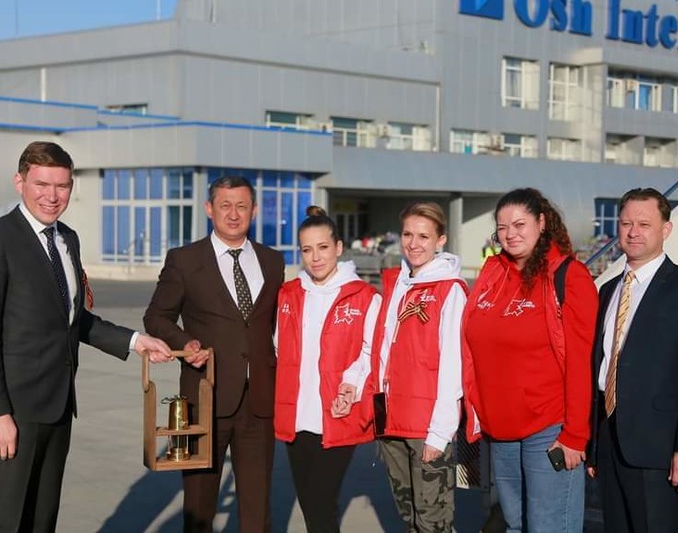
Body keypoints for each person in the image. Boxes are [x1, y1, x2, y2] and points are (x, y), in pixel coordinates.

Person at [0, 141, 174, 533]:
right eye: (42, 184)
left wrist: (135, 341)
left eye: (62, 186)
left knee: (42, 520)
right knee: (1, 522)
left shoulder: (67, 240)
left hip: (58, 407)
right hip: (13, 410)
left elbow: (73, 321)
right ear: (20, 182)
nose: (52, 196)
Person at [143, 175, 285, 533]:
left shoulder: (272, 261)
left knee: (257, 508)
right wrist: (185, 342)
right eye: (225, 205)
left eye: (241, 206)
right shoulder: (185, 260)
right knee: (199, 505)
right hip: (204, 399)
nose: (233, 214)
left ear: (254, 210)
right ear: (209, 209)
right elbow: (156, 316)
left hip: (260, 402)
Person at [462, 187, 598, 532]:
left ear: (541, 222)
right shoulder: (493, 273)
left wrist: (575, 435)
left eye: (519, 224)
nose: (510, 234)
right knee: (514, 525)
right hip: (499, 430)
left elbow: (581, 363)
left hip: (548, 427)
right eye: (502, 227)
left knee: (548, 527)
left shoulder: (568, 276)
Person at [587, 188, 678, 533]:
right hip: (610, 441)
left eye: (644, 224)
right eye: (626, 223)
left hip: (659, 448)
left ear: (666, 229)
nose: (633, 232)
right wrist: (594, 444)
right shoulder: (608, 290)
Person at [273, 206, 382, 532]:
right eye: (307, 249)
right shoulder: (289, 294)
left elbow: (371, 352)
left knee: (320, 500)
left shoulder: (364, 296)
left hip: (338, 413)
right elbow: (278, 346)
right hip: (297, 416)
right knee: (312, 505)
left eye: (322, 247)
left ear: (338, 247)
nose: (315, 257)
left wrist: (350, 384)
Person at [365, 202, 467, 532]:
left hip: (427, 426)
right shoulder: (396, 283)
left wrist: (440, 432)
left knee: (433, 521)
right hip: (392, 419)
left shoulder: (450, 289)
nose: (413, 243)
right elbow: (381, 350)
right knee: (409, 517)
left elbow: (453, 365)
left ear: (441, 240)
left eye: (424, 236)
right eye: (408, 234)